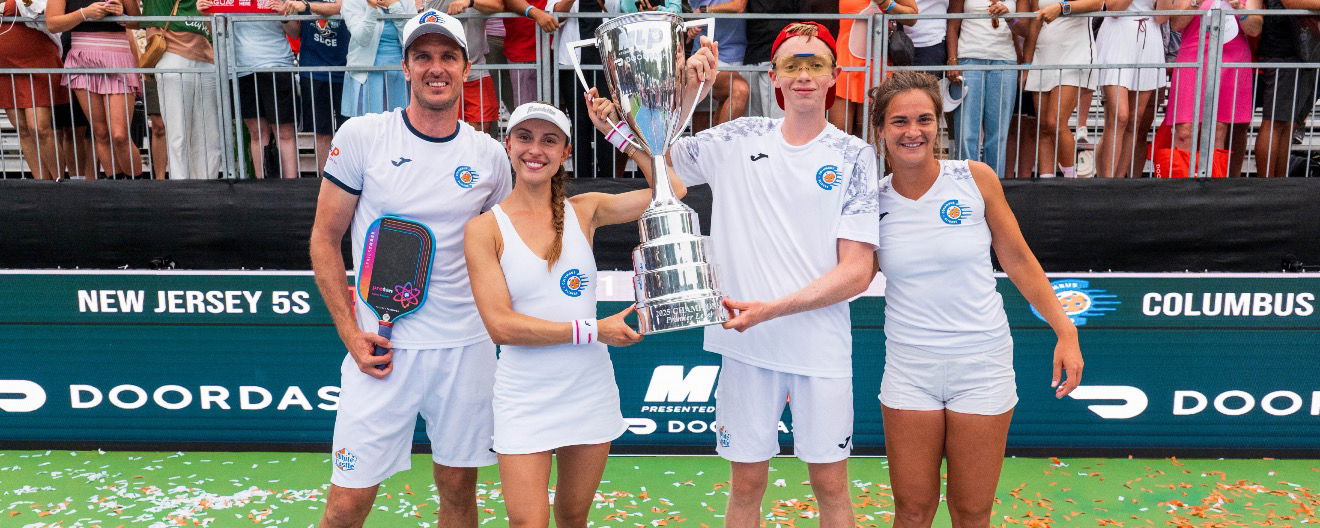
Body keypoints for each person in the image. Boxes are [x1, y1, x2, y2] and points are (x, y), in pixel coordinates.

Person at [669, 22, 880, 528]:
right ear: (775, 77)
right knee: (746, 486)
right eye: (792, 65)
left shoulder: (854, 154)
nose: (804, 75)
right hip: (746, 345)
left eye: (815, 65)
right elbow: (663, 153)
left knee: (831, 486)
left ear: (835, 76)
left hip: (819, 346)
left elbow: (857, 272)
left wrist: (772, 309)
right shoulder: (739, 136)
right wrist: (688, 86)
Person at [308, 11, 511, 528]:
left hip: (466, 349)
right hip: (380, 350)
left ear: (467, 68)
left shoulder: (489, 155)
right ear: (405, 67)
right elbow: (325, 239)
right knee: (345, 507)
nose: (435, 68)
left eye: (448, 57)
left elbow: (509, 249)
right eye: (423, 56)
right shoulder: (361, 136)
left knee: (459, 495)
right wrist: (352, 334)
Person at [462, 94, 694, 527]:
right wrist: (592, 330)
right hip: (524, 395)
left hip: (587, 388)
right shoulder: (483, 228)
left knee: (573, 516)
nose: (536, 150)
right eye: (525, 137)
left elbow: (674, 191)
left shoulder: (585, 210)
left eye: (550, 141)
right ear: (507, 144)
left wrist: (618, 134)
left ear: (565, 152)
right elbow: (500, 326)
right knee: (527, 523)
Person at [867, 71, 1083, 528]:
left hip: (982, 366)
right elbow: (848, 276)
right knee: (912, 511)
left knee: (971, 512)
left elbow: (1020, 261)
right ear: (881, 129)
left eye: (924, 119)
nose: (913, 132)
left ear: (939, 124)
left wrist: (1066, 331)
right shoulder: (869, 202)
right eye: (899, 121)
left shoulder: (975, 179)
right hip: (910, 368)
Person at [198, 0, 299, 179]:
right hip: (240, 68)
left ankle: (292, 187)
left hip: (276, 64)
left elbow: (296, 32)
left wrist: (284, 13)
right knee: (256, 132)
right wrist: (206, 14)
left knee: (284, 131)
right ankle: (261, 188)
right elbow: (218, 31)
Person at [46, 0, 145, 179]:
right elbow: (52, 24)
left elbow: (138, 22)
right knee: (100, 132)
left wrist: (121, 15)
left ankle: (138, 189)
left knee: (120, 134)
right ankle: (115, 187)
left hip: (117, 57)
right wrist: (85, 13)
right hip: (82, 58)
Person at [1168, 0, 1261, 178]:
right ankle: (1181, 193)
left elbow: (1254, 29)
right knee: (1185, 131)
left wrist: (1238, 7)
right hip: (1193, 54)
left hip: (1232, 58)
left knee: (1219, 130)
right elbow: (1177, 24)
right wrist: (1196, 2)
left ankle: (1213, 193)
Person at [947, 0, 1029, 176]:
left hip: (1004, 61)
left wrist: (1008, 17)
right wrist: (952, 60)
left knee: (998, 133)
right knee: (966, 131)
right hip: (968, 58)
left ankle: (994, 186)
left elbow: (1025, 29)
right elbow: (953, 25)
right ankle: (966, 182)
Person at [1093, 0, 1172, 178]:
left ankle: (1119, 182)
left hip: (1149, 39)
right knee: (1119, 116)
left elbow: (1162, 17)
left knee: (1134, 121)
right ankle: (1106, 182)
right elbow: (1113, 8)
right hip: (1117, 37)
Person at [1022, 0, 1100, 178]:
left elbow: (1097, 3)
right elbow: (1035, 21)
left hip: (1074, 54)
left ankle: (1071, 180)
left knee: (1055, 122)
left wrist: (1061, 7)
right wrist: (1027, 63)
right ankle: (1047, 182)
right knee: (1043, 127)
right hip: (1043, 57)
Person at [144, 0, 220, 179]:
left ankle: (207, 190)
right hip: (174, 55)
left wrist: (207, 16)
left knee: (210, 136)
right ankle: (182, 191)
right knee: (179, 134)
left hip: (206, 58)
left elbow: (215, 30)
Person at [279, 0, 348, 174]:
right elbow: (295, 34)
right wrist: (285, 18)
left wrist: (307, 6)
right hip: (313, 69)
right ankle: (324, 182)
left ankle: (348, 182)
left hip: (347, 69)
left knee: (349, 132)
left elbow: (344, 6)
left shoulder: (304, 3)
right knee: (321, 132)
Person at [2, 0, 68, 180]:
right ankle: (40, 184)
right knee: (23, 129)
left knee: (39, 127)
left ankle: (59, 183)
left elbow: (45, 16)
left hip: (36, 63)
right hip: (6, 69)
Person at [1255, 0, 1319, 177]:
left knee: (1286, 123)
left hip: (1296, 53)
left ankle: (1279, 182)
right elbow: (1292, 2)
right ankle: (1266, 183)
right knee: (1274, 121)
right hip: (1281, 53)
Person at [744, 0, 838, 119]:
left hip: (781, 59)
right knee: (754, 121)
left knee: (777, 119)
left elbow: (804, 20)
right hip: (752, 56)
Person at [340, 0, 414, 118]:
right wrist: (371, 8)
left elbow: (411, 36)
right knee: (366, 127)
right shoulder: (351, 2)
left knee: (399, 124)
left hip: (399, 74)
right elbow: (362, 38)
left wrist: (394, 5)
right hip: (366, 74)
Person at [687, 0, 750, 130]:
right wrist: (692, 23)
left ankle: (715, 146)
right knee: (739, 90)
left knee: (726, 103)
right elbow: (738, 6)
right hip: (709, 56)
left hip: (742, 56)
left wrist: (704, 10)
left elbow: (739, 5)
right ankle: (720, 148)